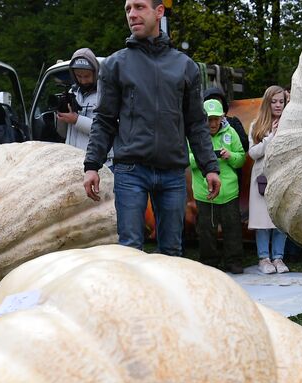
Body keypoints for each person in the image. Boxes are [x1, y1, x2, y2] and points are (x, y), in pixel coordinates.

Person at [84, 0, 221, 257]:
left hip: (172, 173)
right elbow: (104, 120)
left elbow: (196, 123)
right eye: (127, 9)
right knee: (130, 250)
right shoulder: (115, 65)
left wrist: (209, 166)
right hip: (130, 171)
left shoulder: (185, 66)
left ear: (159, 12)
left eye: (139, 7)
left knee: (171, 251)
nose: (132, 15)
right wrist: (92, 164)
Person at [190, 99, 246, 273]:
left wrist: (230, 156)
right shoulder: (195, 136)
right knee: (206, 230)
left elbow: (241, 159)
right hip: (204, 192)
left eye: (216, 119)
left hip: (229, 191)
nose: (213, 123)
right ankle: (209, 263)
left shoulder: (232, 133)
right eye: (209, 119)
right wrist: (207, 159)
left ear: (222, 117)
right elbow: (187, 159)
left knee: (233, 229)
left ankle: (234, 261)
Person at [248, 85, 289, 274]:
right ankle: (264, 258)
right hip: (262, 179)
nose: (278, 105)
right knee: (262, 220)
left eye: (281, 101)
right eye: (274, 101)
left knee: (280, 219)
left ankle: (278, 258)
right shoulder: (256, 125)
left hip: (282, 175)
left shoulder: (290, 123)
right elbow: (253, 153)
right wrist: (270, 137)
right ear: (267, 103)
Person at [55, 48, 102, 152]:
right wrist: (62, 117)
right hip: (73, 158)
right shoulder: (72, 92)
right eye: (79, 76)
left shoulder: (106, 94)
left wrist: (77, 120)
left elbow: (106, 130)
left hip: (99, 161)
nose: (83, 80)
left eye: (87, 76)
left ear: (96, 72)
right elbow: (62, 133)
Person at [203, 85, 249, 153]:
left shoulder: (233, 123)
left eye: (218, 103)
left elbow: (245, 147)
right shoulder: (198, 128)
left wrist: (229, 154)